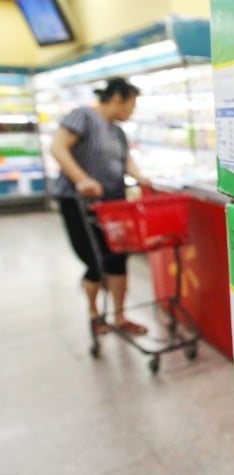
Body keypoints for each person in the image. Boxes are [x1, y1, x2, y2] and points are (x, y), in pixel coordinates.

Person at [51, 77, 151, 336]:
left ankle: (119, 316)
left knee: (118, 258)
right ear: (117, 98)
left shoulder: (118, 131)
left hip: (112, 205)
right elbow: (58, 147)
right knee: (94, 260)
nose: (132, 111)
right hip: (79, 203)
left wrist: (140, 177)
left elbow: (125, 160)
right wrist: (82, 179)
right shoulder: (82, 116)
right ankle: (94, 313)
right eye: (131, 105)